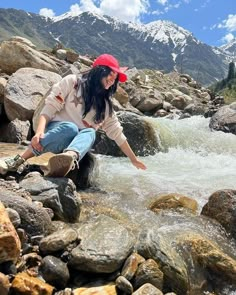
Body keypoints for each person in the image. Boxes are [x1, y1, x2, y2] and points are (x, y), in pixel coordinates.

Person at [0, 54, 147, 177]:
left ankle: (67, 159)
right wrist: (39, 132)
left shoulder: (106, 106)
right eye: (111, 74)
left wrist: (133, 160)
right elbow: (49, 108)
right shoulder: (72, 82)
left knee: (90, 132)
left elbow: (117, 134)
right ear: (99, 71)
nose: (113, 79)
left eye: (115, 77)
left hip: (75, 146)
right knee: (70, 128)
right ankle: (19, 159)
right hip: (54, 133)